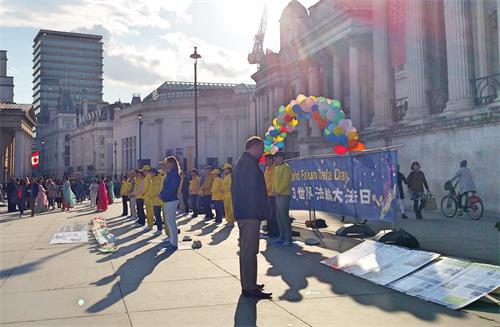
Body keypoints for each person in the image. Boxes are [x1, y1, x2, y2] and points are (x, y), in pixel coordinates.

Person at [232, 136, 272, 300]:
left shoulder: (245, 162)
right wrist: (258, 210)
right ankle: (249, 288)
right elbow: (250, 191)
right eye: (261, 149)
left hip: (247, 213)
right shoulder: (248, 164)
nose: (263, 153)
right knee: (249, 251)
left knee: (249, 251)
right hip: (249, 214)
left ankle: (250, 283)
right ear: (254, 147)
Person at [272, 152, 293, 246]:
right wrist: (273, 190)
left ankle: (288, 238)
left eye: (276, 158)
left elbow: (285, 182)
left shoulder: (287, 168)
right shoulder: (277, 168)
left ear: (281, 158)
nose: (275, 160)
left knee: (284, 216)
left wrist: (279, 191)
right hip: (277, 195)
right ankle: (281, 236)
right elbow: (275, 181)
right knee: (278, 217)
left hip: (284, 194)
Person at [159, 156, 181, 250]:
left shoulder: (175, 175)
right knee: (168, 221)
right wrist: (162, 194)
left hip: (171, 199)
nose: (166, 165)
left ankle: (174, 243)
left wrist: (163, 195)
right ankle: (172, 241)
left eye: (167, 163)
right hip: (168, 199)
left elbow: (172, 188)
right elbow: (165, 187)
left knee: (171, 222)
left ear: (172, 163)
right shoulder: (170, 174)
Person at [264, 154, 278, 237]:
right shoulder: (266, 170)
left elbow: (272, 183)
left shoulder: (274, 169)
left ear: (271, 160)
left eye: (266, 160)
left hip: (272, 195)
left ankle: (274, 232)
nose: (265, 162)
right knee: (268, 214)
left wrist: (266, 189)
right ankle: (270, 231)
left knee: (273, 214)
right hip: (267, 195)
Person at [149, 168, 164, 234]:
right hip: (155, 200)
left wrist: (151, 195)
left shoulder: (157, 180)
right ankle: (159, 228)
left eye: (151, 173)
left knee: (157, 215)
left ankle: (159, 229)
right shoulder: (154, 179)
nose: (150, 174)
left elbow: (157, 190)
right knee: (157, 215)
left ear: (154, 173)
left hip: (157, 200)